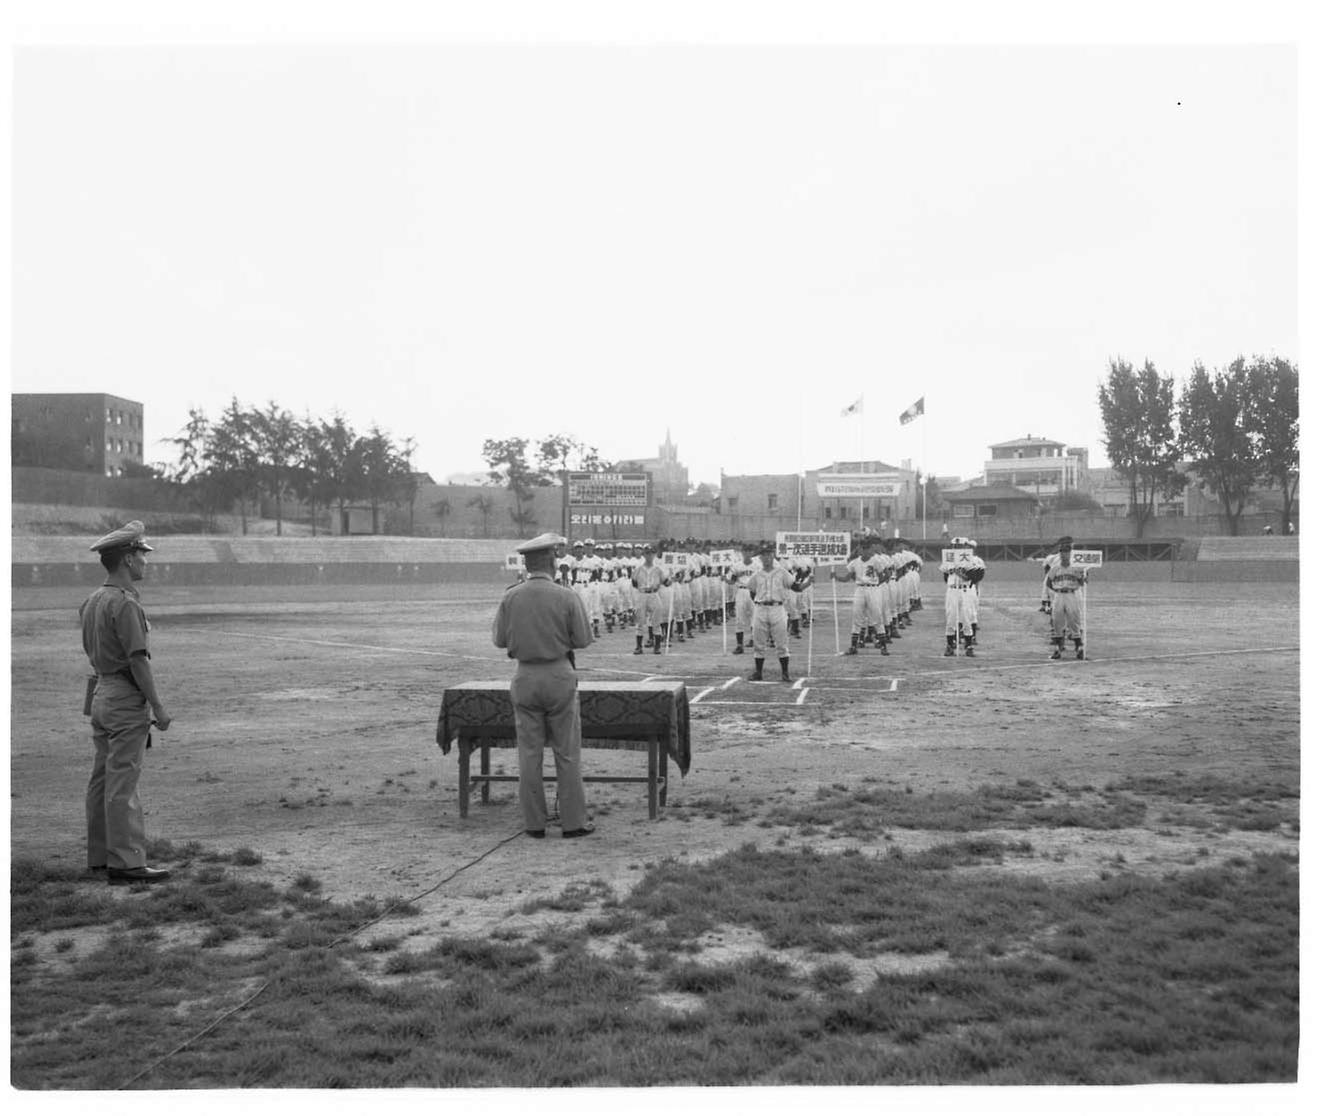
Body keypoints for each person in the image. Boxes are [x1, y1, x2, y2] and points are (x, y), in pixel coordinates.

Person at [80, 521, 174, 884]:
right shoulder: (125, 604)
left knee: (102, 779)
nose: (145, 562)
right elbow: (137, 660)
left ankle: (101, 856)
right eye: (141, 555)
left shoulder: (92, 601)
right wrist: (159, 707)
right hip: (122, 697)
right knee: (123, 780)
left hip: (101, 693)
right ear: (127, 560)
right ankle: (126, 862)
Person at [490, 531, 595, 838]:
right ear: (552, 560)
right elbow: (583, 639)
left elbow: (499, 640)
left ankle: (534, 823)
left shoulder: (511, 595)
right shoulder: (566, 595)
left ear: (527, 563)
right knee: (567, 753)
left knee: (529, 754)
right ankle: (573, 822)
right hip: (558, 674)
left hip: (525, 675)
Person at [746, 544, 813, 681]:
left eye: (769, 554)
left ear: (773, 556)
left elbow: (796, 587)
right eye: (764, 555)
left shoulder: (782, 572)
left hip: (778, 608)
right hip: (760, 608)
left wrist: (808, 582)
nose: (767, 557)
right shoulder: (756, 575)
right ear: (760, 558)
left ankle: (785, 673)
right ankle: (758, 672)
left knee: (781, 641)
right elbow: (752, 592)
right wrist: (760, 604)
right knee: (759, 642)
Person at [1045, 536, 1089, 660]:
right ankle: (1057, 649)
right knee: (1057, 621)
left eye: (1067, 552)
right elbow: (1049, 582)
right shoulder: (1055, 568)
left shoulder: (1076, 568)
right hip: (1059, 595)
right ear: (1060, 554)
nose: (1064, 555)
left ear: (1070, 554)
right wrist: (1057, 591)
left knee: (1074, 620)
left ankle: (1079, 648)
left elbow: (1082, 582)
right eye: (1062, 552)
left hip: (1072, 594)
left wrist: (1083, 577)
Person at [631, 546, 671, 654]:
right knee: (640, 621)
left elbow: (666, 583)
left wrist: (673, 578)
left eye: (651, 553)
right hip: (642, 594)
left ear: (654, 555)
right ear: (643, 555)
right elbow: (634, 583)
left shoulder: (658, 569)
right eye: (647, 553)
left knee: (656, 620)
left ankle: (657, 646)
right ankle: (639, 646)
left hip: (654, 594)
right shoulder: (638, 569)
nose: (649, 556)